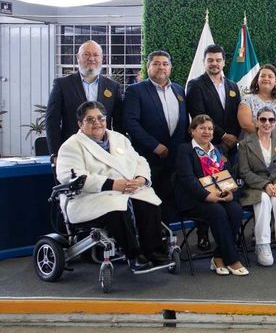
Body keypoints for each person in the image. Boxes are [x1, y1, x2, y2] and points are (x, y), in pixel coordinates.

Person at [55, 101, 171, 273]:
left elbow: (139, 160)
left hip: (126, 189)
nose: (97, 123)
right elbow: (71, 177)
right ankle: (134, 255)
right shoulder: (71, 146)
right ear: (80, 124)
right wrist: (111, 184)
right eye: (90, 119)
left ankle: (154, 251)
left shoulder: (119, 139)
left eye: (100, 118)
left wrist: (141, 178)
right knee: (116, 207)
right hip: (89, 197)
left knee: (148, 200)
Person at [173, 115, 248, 276]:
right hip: (195, 199)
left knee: (235, 209)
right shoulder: (185, 150)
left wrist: (231, 193)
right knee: (217, 211)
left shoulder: (219, 150)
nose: (206, 132)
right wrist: (207, 196)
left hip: (220, 196)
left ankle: (219, 256)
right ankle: (232, 259)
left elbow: (230, 175)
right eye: (202, 128)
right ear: (192, 131)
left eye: (210, 128)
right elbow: (188, 179)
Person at [124, 50, 188, 214]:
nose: (161, 67)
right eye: (156, 64)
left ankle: (171, 228)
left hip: (175, 157)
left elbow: (184, 121)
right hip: (149, 157)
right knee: (151, 203)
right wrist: (154, 146)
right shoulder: (135, 91)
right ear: (148, 66)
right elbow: (131, 123)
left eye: (165, 64)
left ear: (170, 67)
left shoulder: (179, 90)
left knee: (173, 200)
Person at [237, 106, 276, 266]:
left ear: (275, 122)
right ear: (256, 122)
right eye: (263, 119)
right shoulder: (245, 144)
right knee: (263, 199)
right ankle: (262, 245)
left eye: (271, 120)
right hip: (255, 187)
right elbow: (244, 172)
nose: (267, 123)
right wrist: (265, 185)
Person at [46, 40, 124, 159]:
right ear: (78, 58)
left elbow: (119, 123)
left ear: (102, 59)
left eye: (95, 55)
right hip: (72, 151)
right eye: (86, 54)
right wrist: (56, 154)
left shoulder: (113, 87)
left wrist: (119, 152)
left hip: (104, 152)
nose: (91, 59)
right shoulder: (62, 85)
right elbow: (52, 122)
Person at [186, 44, 241, 155]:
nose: (214, 63)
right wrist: (224, 136)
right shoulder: (195, 85)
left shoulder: (233, 86)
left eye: (218, 60)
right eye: (210, 60)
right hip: (208, 144)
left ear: (223, 62)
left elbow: (238, 113)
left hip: (232, 144)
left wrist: (233, 136)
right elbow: (198, 115)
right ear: (204, 62)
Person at [239, 65, 276, 137]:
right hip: (256, 142)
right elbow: (246, 125)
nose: (266, 78)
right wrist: (269, 138)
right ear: (257, 80)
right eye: (262, 76)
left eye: (270, 76)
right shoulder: (248, 99)